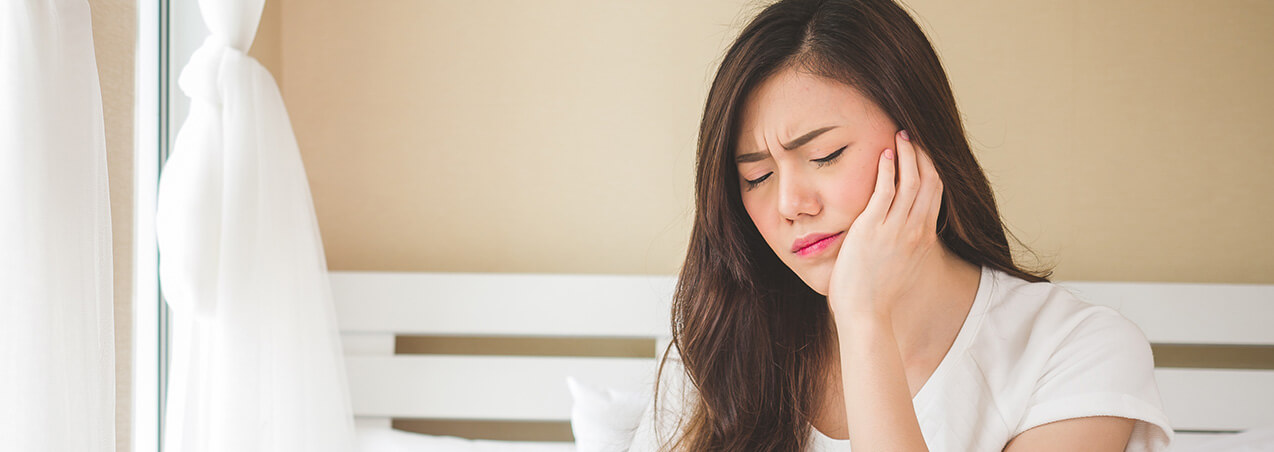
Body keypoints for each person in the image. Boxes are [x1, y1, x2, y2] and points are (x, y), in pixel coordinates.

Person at [627, 0, 1174, 450]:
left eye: (825, 155)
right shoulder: (722, 346)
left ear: (920, 140)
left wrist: (865, 319)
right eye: (757, 176)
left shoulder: (1075, 350)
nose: (790, 203)